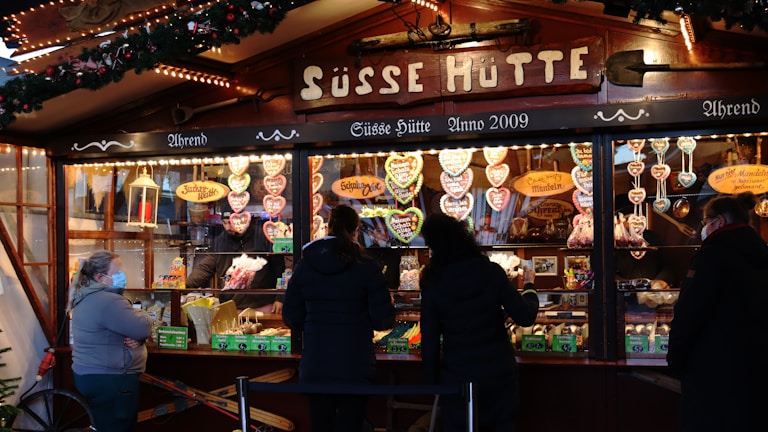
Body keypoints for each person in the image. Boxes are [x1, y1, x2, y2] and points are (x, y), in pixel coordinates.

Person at [419, 213, 539, 432]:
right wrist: (530, 287)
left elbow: (430, 339)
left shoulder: (433, 281)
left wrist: (433, 381)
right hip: (498, 374)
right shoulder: (490, 272)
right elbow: (525, 316)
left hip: (458, 376)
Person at [282, 204, 395, 432]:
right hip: (354, 365)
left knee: (321, 425)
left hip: (317, 364)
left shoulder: (305, 265)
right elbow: (383, 321)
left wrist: (316, 324)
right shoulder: (366, 266)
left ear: (328, 227)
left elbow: (291, 316)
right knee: (350, 425)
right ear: (356, 230)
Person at [667, 192, 767, 432]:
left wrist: (675, 361)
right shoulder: (762, 253)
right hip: (757, 372)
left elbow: (688, 314)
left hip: (712, 374)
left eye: (704, 222)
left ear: (719, 221)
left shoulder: (710, 257)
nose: (704, 228)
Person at [67, 251, 153, 432]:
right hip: (111, 380)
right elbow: (142, 328)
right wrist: (144, 315)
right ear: (100, 277)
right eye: (117, 271)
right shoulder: (108, 301)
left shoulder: (84, 296)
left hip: (90, 375)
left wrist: (137, 338)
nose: (122, 275)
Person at [186, 209, 285, 313]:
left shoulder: (262, 236)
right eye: (224, 223)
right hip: (231, 306)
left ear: (244, 220)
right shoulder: (220, 241)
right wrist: (184, 286)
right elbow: (205, 268)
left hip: (262, 305)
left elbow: (279, 269)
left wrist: (280, 298)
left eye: (231, 222)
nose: (228, 227)